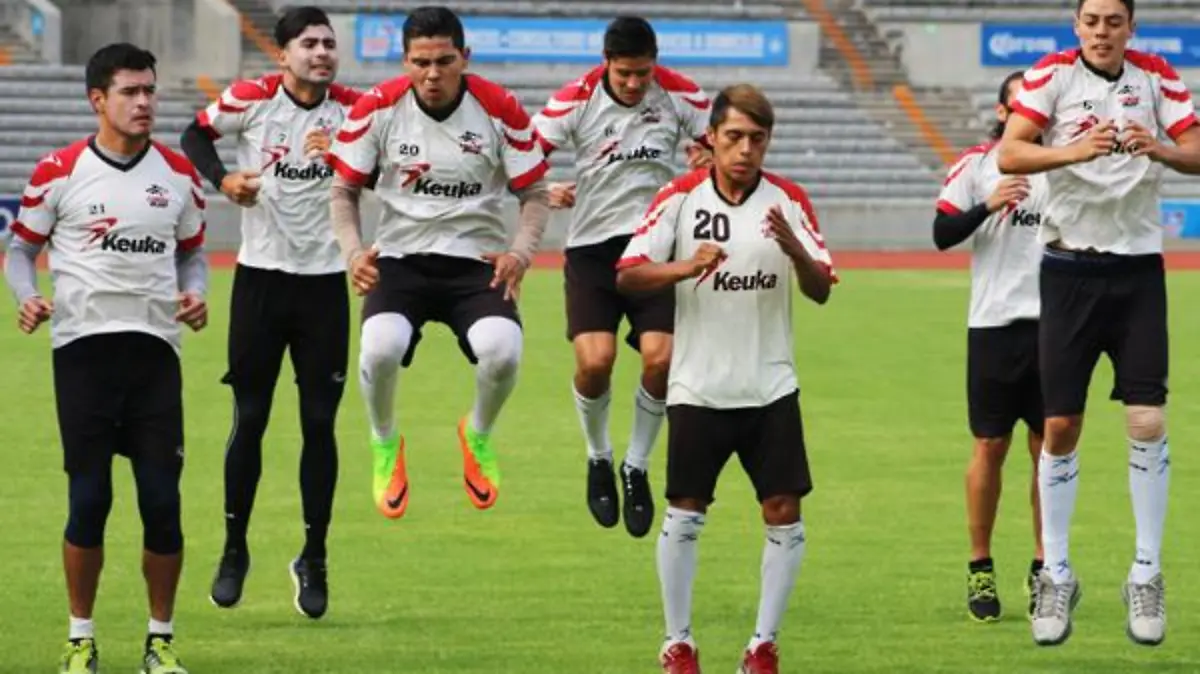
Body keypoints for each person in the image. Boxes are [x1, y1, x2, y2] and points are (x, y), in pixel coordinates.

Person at [998, 0, 1200, 647]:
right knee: (1060, 426)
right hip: (1067, 271)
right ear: (1077, 25)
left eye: (1114, 20)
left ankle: (1146, 572)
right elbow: (1009, 153)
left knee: (1147, 420)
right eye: (1092, 20)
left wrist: (1161, 149)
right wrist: (1075, 150)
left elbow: (1196, 150)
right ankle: (1056, 573)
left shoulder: (1157, 77)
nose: (1102, 31)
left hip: (1137, 272)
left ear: (1131, 26)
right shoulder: (1050, 76)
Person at [616, 84, 836, 674]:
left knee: (784, 511)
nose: (745, 150)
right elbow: (628, 275)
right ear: (711, 137)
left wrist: (795, 250)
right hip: (698, 386)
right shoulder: (679, 198)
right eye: (734, 137)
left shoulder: (788, 200)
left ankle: (762, 646)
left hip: (771, 386)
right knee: (686, 512)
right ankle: (678, 643)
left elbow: (821, 289)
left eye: (757, 139)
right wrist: (684, 266)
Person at [3, 43, 208, 674]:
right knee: (89, 501)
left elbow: (192, 254)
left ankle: (160, 641)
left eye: (150, 90)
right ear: (98, 99)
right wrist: (27, 297)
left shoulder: (179, 175)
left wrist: (196, 293)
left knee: (162, 504)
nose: (145, 102)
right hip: (83, 357)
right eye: (130, 92)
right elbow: (20, 252)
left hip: (154, 357)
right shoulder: (58, 171)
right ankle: (80, 639)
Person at [327, 5, 550, 519]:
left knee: (503, 352)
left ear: (464, 57)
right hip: (399, 259)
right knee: (379, 348)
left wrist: (520, 253)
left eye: (444, 61)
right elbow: (343, 191)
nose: (432, 74)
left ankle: (478, 434)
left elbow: (535, 193)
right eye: (421, 62)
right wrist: (354, 253)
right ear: (405, 61)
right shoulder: (377, 107)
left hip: (475, 262)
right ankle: (385, 442)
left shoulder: (499, 108)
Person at [179, 5, 361, 621]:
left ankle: (315, 556)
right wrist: (223, 180)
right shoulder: (251, 99)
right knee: (251, 417)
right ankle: (234, 550)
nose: (321, 53)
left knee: (319, 423)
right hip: (259, 282)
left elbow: (388, 172)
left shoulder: (356, 111)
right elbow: (194, 134)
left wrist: (344, 156)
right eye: (309, 44)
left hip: (325, 285)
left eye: (328, 43)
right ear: (282, 54)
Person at [531, 15, 712, 538]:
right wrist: (544, 187)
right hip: (592, 250)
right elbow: (520, 155)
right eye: (624, 73)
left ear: (655, 65)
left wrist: (706, 159)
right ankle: (598, 457)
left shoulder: (681, 94)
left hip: (655, 247)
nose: (634, 83)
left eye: (643, 73)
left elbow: (723, 146)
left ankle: (636, 465)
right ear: (605, 62)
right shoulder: (576, 99)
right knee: (595, 362)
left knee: (662, 359)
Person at [934, 70, 1050, 623]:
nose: (1032, 113)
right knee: (990, 445)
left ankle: (1046, 566)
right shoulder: (977, 165)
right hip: (994, 326)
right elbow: (941, 234)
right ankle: (980, 563)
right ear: (1003, 113)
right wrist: (988, 204)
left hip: (1056, 327)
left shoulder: (1068, 165)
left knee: (1050, 451)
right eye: (1021, 105)